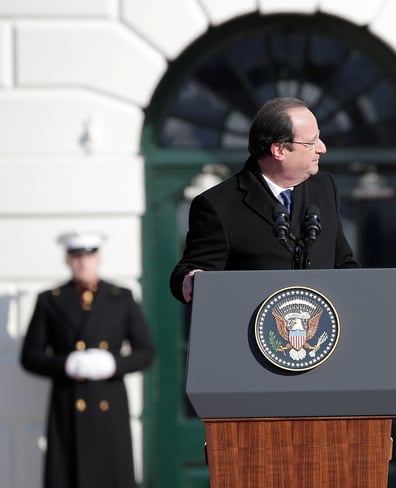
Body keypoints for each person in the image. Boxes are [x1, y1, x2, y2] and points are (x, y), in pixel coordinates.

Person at [170, 97, 359, 303]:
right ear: (279, 150)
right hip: (253, 330)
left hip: (324, 328)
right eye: (311, 143)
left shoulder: (324, 187)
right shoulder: (218, 205)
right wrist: (190, 278)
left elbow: (343, 263)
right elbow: (191, 270)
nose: (322, 148)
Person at [20, 229, 156, 488]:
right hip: (67, 407)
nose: (83, 262)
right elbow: (30, 356)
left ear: (99, 258)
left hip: (109, 407)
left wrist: (113, 364)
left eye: (89, 255)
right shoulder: (50, 300)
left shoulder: (121, 297)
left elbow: (145, 352)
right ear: (67, 260)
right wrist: (66, 364)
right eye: (76, 256)